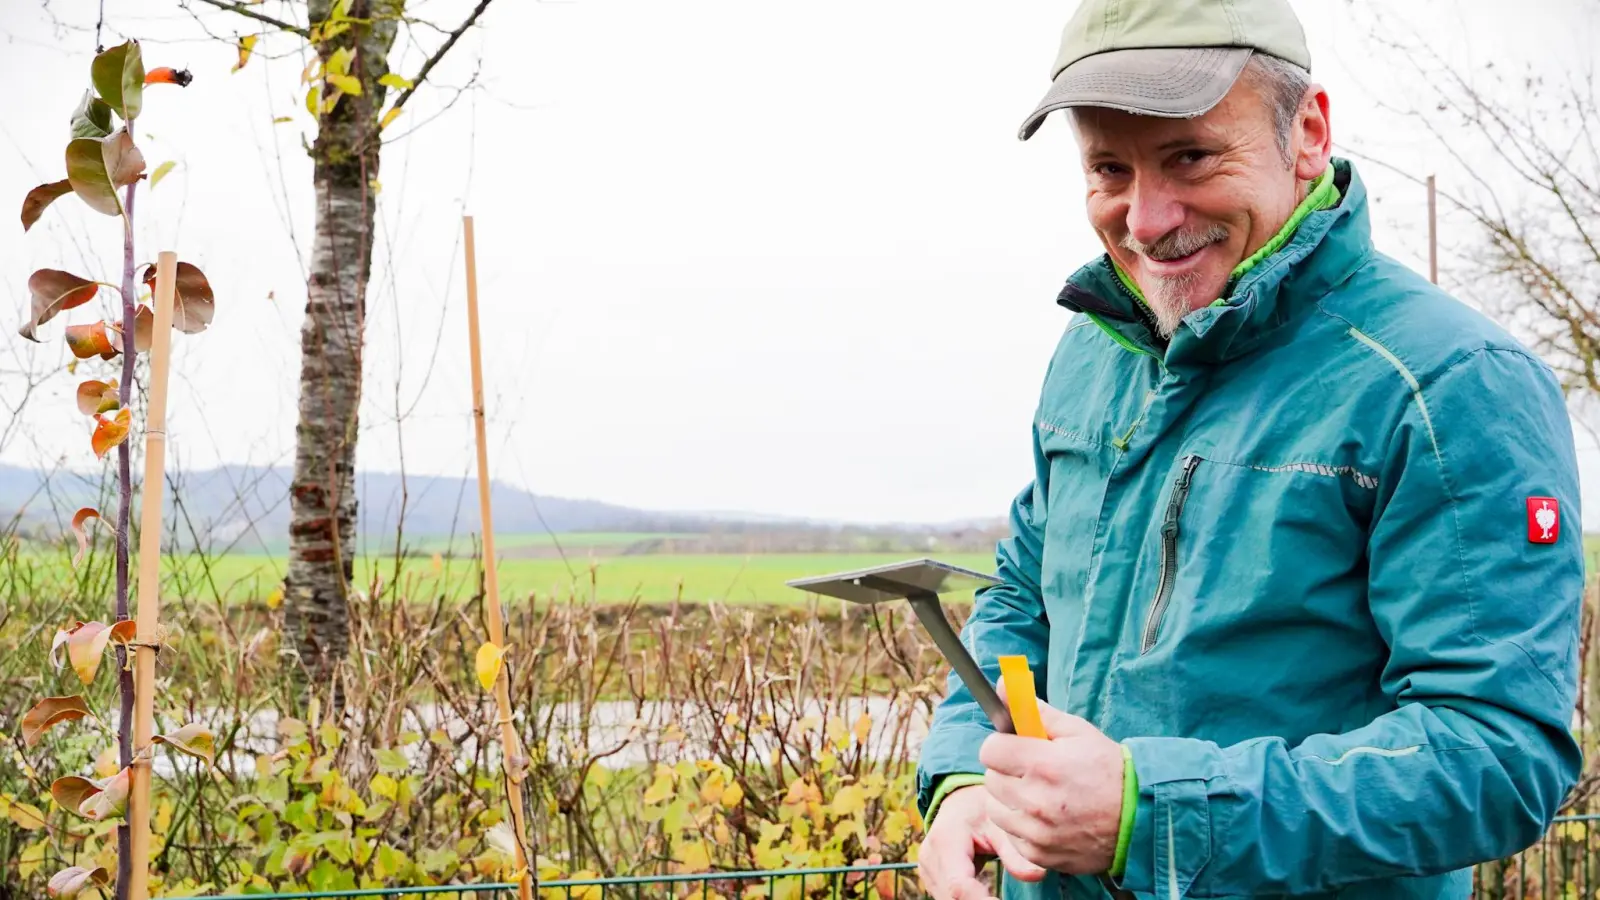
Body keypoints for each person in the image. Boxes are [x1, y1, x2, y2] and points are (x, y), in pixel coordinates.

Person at [914, 1, 1585, 898]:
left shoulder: (1449, 383)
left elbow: (1495, 761)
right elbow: (1025, 600)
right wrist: (965, 780)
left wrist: (1148, 813)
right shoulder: (1097, 352)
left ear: (1307, 133)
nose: (1146, 220)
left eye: (1189, 156)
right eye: (1109, 168)